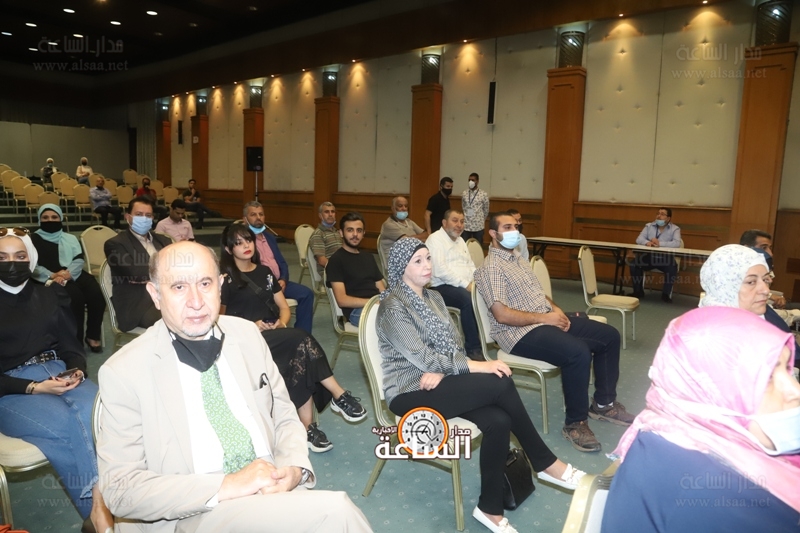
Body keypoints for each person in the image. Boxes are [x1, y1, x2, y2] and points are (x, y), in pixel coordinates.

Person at [96, 241, 373, 533]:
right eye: (178, 287)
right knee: (337, 513)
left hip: (271, 486)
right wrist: (228, 484)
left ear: (220, 286)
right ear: (155, 294)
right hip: (193, 511)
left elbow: (284, 413)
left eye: (205, 283)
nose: (195, 301)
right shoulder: (124, 371)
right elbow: (120, 489)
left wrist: (295, 468)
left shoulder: (247, 335)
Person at [377, 237, 587, 533]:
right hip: (408, 392)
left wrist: (442, 370)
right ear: (401, 268)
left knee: (499, 420)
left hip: (439, 380)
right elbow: (424, 357)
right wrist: (477, 365)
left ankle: (490, 509)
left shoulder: (434, 297)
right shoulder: (392, 307)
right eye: (418, 261)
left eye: (428, 258)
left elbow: (453, 345)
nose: (427, 265)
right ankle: (545, 463)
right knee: (499, 381)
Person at [602, 306, 800, 532]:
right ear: (716, 391)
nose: (796, 391)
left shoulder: (681, 426)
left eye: (787, 370)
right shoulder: (715, 495)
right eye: (768, 379)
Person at [475, 212, 635, 453]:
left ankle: (603, 404)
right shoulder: (492, 267)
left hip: (543, 320)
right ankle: (575, 424)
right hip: (516, 333)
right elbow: (502, 315)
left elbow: (539, 295)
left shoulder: (517, 258)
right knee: (577, 352)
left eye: (516, 226)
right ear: (493, 233)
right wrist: (545, 318)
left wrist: (556, 311)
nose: (514, 231)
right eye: (507, 227)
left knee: (609, 336)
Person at [0, 228, 113, 533]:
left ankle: (102, 514)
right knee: (72, 424)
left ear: (31, 259)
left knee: (103, 414)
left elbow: (71, 345)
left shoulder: (50, 294)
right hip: (12, 386)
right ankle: (102, 513)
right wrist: (33, 387)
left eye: (19, 256)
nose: (12, 263)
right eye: (2, 257)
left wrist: (76, 369)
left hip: (58, 370)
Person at [219, 224, 366, 453]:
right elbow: (220, 320)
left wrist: (281, 322)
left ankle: (308, 429)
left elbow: (284, 308)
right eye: (238, 243)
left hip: (273, 335)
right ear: (229, 250)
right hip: (245, 340)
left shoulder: (265, 272)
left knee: (302, 356)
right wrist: (252, 326)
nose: (246, 245)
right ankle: (338, 395)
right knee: (302, 339)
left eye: (248, 240)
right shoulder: (226, 279)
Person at [699, 244, 799, 368]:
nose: (766, 290)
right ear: (724, 285)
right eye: (751, 282)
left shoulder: (749, 319)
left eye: (766, 280)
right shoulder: (716, 341)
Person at [30, 204, 106, 352]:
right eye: (45, 217)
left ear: (60, 219)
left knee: (96, 294)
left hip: (72, 272)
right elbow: (33, 266)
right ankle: (76, 342)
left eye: (54, 217)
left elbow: (79, 259)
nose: (50, 220)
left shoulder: (70, 238)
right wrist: (53, 275)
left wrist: (68, 273)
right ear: (39, 220)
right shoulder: (32, 240)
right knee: (75, 298)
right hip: (47, 277)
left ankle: (92, 335)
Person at [243, 201, 314, 333]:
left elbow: (282, 263)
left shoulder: (269, 237)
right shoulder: (244, 241)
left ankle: (302, 335)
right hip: (260, 286)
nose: (258, 218)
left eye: (261, 214)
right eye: (253, 215)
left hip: (279, 283)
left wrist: (283, 279)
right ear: (245, 219)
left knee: (306, 294)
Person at [104, 196, 172, 332]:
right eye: (139, 214)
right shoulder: (115, 244)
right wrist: (167, 270)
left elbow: (178, 267)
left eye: (148, 215)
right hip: (138, 304)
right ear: (127, 217)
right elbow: (135, 273)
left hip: (167, 296)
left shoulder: (163, 241)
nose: (144, 219)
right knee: (174, 318)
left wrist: (150, 275)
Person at [425, 208, 482, 358]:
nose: (459, 225)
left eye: (462, 221)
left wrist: (478, 282)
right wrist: (466, 285)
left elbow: (470, 265)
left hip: (463, 285)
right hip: (439, 287)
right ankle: (473, 349)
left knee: (487, 293)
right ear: (444, 223)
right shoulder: (435, 239)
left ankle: (490, 340)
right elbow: (440, 271)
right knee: (469, 300)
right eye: (455, 221)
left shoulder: (460, 240)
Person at [326, 212, 385, 326]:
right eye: (350, 230)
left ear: (363, 233)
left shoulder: (368, 257)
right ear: (341, 233)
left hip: (376, 305)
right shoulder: (336, 260)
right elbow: (342, 300)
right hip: (357, 311)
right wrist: (373, 303)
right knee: (394, 322)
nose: (355, 234)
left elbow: (382, 289)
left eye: (359, 230)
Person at [628, 207, 682, 302]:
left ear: (668, 218)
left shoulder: (675, 229)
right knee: (634, 264)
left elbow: (677, 243)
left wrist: (660, 243)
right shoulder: (649, 226)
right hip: (649, 257)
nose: (659, 216)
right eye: (658, 213)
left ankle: (666, 294)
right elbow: (639, 239)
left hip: (665, 258)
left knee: (672, 268)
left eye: (662, 214)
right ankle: (638, 291)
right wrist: (647, 242)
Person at [739, 229, 798, 310]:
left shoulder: (763, 266)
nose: (770, 253)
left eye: (769, 248)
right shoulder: (736, 270)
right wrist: (770, 295)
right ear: (746, 248)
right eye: (764, 247)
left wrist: (773, 297)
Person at [379, 196, 427, 269]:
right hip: (396, 262)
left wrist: (413, 238)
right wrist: (421, 239)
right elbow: (407, 241)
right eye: (400, 206)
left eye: (406, 206)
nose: (404, 208)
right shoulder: (388, 225)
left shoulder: (409, 221)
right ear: (393, 208)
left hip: (412, 256)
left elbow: (426, 234)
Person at [308, 201, 342, 276]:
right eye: (327, 212)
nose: (330, 214)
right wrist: (341, 268)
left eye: (332, 212)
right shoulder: (318, 234)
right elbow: (322, 260)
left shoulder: (337, 232)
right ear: (320, 215)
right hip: (329, 273)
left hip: (341, 270)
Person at [461, 173, 490, 243]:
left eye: (473, 180)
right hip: (466, 225)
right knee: (465, 244)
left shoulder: (483, 194)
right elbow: (463, 207)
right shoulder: (464, 193)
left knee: (478, 245)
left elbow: (486, 209)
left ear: (477, 181)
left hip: (478, 225)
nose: (470, 182)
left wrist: (481, 219)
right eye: (469, 180)